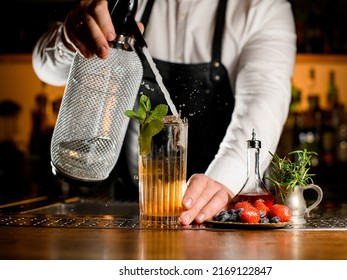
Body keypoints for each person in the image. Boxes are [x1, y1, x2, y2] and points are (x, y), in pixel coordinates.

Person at [32, 0, 296, 225]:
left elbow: (263, 103)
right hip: (131, 207)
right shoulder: (125, 3)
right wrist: (69, 39)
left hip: (222, 216)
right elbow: (46, 69)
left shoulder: (264, 6)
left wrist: (223, 181)